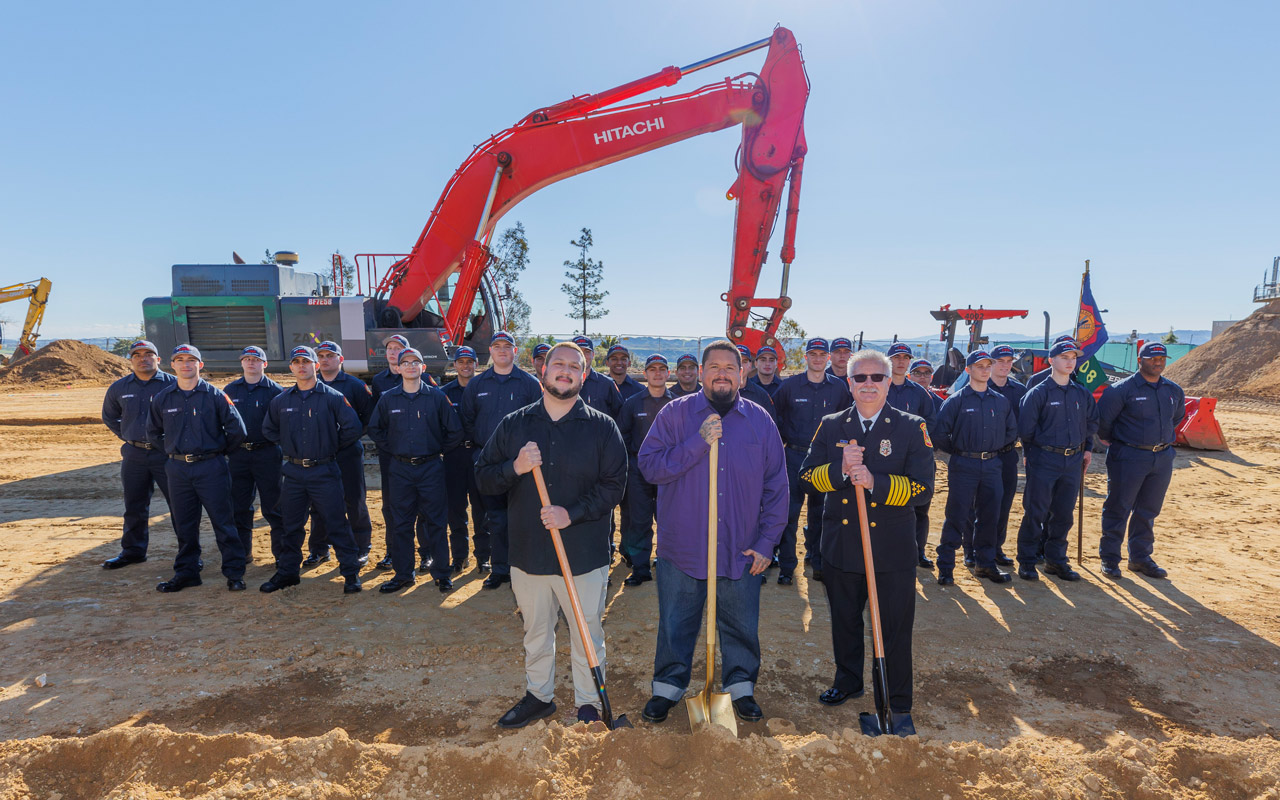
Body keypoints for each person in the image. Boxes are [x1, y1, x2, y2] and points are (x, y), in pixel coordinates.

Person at [475, 341, 627, 727]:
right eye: (557, 364)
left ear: (585, 375)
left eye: (574, 366)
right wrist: (516, 467)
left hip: (584, 555)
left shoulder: (602, 427)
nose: (565, 370)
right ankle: (539, 696)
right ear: (542, 371)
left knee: (586, 630)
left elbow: (614, 487)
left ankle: (589, 703)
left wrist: (569, 514)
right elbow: (484, 479)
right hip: (529, 554)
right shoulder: (515, 425)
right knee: (536, 631)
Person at [637, 340, 787, 724]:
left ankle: (741, 688)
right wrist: (697, 442)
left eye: (730, 367)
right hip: (682, 547)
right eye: (714, 367)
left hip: (740, 548)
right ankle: (667, 689)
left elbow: (776, 486)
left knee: (740, 625)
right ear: (701, 373)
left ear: (743, 374)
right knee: (676, 622)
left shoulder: (760, 421)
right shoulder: (674, 415)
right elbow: (650, 468)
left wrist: (767, 542)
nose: (722, 373)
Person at [800, 350, 934, 713]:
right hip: (842, 546)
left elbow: (923, 490)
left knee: (893, 628)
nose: (869, 384)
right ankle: (848, 681)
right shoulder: (831, 425)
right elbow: (808, 478)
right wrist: (840, 470)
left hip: (890, 549)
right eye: (861, 378)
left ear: (889, 383)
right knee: (844, 621)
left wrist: (876, 481)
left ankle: (896, 700)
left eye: (877, 377)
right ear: (849, 383)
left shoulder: (911, 426)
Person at [260, 346, 365, 594]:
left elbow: (353, 428)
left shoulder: (333, 398)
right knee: (290, 525)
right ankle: (288, 573)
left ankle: (350, 574)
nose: (301, 366)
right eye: (296, 362)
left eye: (306, 361)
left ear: (315, 365)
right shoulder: (281, 400)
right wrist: (290, 445)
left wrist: (328, 446)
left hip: (324, 471)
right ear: (291, 368)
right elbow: (269, 430)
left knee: (337, 523)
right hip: (294, 473)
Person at [146, 344, 248, 592]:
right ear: (173, 365)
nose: (185, 364)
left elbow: (238, 431)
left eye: (191, 360)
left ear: (200, 365)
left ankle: (234, 573)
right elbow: (152, 433)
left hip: (211, 468)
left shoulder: (214, 395)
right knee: (184, 524)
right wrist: (173, 451)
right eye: (180, 359)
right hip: (178, 470)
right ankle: (187, 572)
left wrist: (216, 452)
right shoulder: (163, 398)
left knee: (223, 522)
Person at [368, 347, 464, 593]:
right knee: (401, 524)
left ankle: (442, 574)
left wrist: (435, 449)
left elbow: (454, 431)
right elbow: (375, 429)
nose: (410, 366)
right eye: (405, 362)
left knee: (436, 522)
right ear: (398, 368)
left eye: (416, 362)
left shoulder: (436, 397)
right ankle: (403, 575)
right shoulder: (388, 398)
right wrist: (394, 448)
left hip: (431, 468)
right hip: (400, 469)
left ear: (423, 367)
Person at [1096, 342, 1185, 580]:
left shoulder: (1173, 390)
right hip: (1128, 457)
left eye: (1162, 358)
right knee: (1118, 507)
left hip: (1162, 458)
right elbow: (1104, 423)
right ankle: (1110, 559)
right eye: (1152, 358)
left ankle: (1140, 558)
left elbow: (1176, 417)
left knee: (1148, 510)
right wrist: (1124, 442)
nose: (1157, 362)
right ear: (1140, 360)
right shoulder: (1121, 390)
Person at [461, 331, 542, 589]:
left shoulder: (529, 384)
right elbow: (467, 419)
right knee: (494, 517)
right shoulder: (477, 384)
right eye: (497, 346)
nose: (503, 351)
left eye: (508, 346)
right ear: (491, 351)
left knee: (524, 516)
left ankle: (524, 568)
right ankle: (499, 569)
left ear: (515, 351)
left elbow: (539, 420)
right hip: (490, 462)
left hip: (523, 463)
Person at [1016, 339, 1099, 582]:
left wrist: (1087, 449)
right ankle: (1028, 561)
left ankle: (1056, 560)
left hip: (1072, 461)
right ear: (1051, 360)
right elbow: (1026, 430)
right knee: (1036, 511)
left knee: (1063, 514)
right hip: (1044, 459)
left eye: (1073, 358)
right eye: (1064, 357)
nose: (1070, 362)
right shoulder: (1038, 393)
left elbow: (1091, 423)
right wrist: (1033, 455)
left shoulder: (1081, 393)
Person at [933, 350, 1018, 586]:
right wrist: (961, 451)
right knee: (957, 516)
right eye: (979, 366)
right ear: (968, 370)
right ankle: (946, 567)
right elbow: (940, 434)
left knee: (990, 516)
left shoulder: (1000, 401)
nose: (984, 370)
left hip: (992, 465)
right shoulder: (956, 401)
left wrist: (992, 450)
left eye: (987, 366)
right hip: (964, 465)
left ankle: (985, 564)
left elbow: (1011, 432)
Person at [771, 337, 852, 584]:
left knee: (821, 514)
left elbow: (847, 419)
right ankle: (787, 567)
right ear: (805, 357)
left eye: (821, 354)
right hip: (794, 456)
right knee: (789, 514)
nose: (817, 359)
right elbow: (775, 416)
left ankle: (818, 562)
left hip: (825, 460)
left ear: (828, 358)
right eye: (812, 354)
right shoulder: (790, 386)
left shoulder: (839, 388)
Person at [100, 340, 177, 569]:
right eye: (137, 355)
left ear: (158, 359)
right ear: (131, 360)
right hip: (134, 456)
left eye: (148, 354)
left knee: (180, 506)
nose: (143, 358)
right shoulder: (119, 388)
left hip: (167, 456)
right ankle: (133, 551)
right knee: (134, 506)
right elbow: (109, 417)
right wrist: (128, 436)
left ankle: (188, 555)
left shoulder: (173, 384)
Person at [308, 341, 375, 568]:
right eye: (321, 356)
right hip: (319, 455)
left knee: (354, 500)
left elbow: (368, 418)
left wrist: (345, 440)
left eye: (330, 355)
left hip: (347, 453)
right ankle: (319, 548)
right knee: (318, 503)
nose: (325, 359)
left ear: (340, 359)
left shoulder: (355, 386)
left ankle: (361, 547)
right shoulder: (309, 385)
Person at [616, 354, 674, 586]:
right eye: (653, 369)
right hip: (639, 471)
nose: (657, 373)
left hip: (669, 472)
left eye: (662, 369)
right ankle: (641, 568)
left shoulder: (677, 404)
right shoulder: (632, 403)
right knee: (639, 521)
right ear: (645, 373)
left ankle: (668, 563)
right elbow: (622, 436)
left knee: (669, 520)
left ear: (668, 374)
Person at [224, 346, 285, 565]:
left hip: (267, 454)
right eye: (247, 359)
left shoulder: (276, 392)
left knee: (274, 507)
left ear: (264, 364)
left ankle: (281, 555)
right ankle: (243, 553)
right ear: (241, 363)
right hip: (238, 456)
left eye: (256, 359)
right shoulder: (230, 390)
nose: (251, 363)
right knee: (239, 506)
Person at [885, 343, 938, 569]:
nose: (901, 362)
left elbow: (931, 425)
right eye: (897, 358)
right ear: (888, 360)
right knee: (884, 507)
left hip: (915, 461)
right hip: (884, 459)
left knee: (919, 507)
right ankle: (884, 551)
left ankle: (918, 551)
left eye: (905, 358)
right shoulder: (878, 386)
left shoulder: (919, 393)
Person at [441, 346, 485, 574]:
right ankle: (459, 557)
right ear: (455, 365)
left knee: (481, 509)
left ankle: (483, 557)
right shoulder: (444, 392)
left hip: (479, 455)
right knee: (456, 510)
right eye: (461, 362)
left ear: (476, 364)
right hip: (454, 457)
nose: (466, 366)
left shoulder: (485, 388)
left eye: (470, 362)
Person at [985, 345, 1028, 567]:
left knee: (1004, 504)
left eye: (1009, 361)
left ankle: (996, 548)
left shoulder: (1019, 391)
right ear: (990, 362)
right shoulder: (980, 386)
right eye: (1000, 361)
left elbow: (1026, 425)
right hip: (983, 457)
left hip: (1008, 455)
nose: (1005, 365)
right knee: (979, 504)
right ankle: (973, 549)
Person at [572, 336, 623, 418]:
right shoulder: (563, 383)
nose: (582, 356)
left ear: (593, 355)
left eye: (587, 352)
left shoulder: (607, 384)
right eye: (578, 351)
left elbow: (620, 417)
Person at [737, 345, 778, 422]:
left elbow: (770, 427)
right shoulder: (719, 393)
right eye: (736, 361)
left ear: (750, 365)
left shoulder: (762, 395)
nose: (740, 366)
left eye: (744, 362)